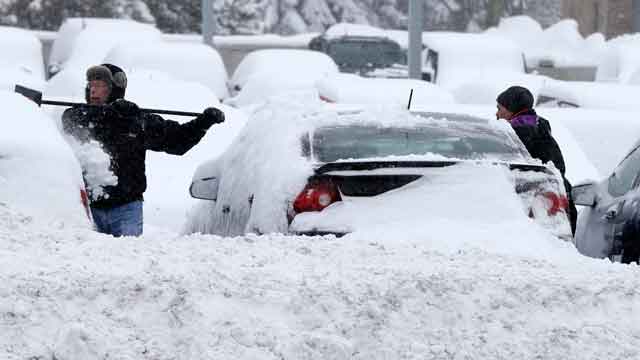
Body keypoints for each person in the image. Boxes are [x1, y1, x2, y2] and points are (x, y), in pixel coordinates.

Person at [62, 63, 224, 237]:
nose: (93, 91)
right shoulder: (80, 117)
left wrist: (203, 123)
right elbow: (67, 119)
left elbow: (178, 141)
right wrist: (111, 115)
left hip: (127, 211)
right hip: (88, 210)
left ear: (115, 89)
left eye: (100, 86)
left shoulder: (135, 122)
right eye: (91, 85)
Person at [496, 85, 578, 235]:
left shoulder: (515, 135)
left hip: (537, 203)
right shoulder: (540, 129)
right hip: (560, 199)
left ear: (511, 109)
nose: (497, 114)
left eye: (500, 108)